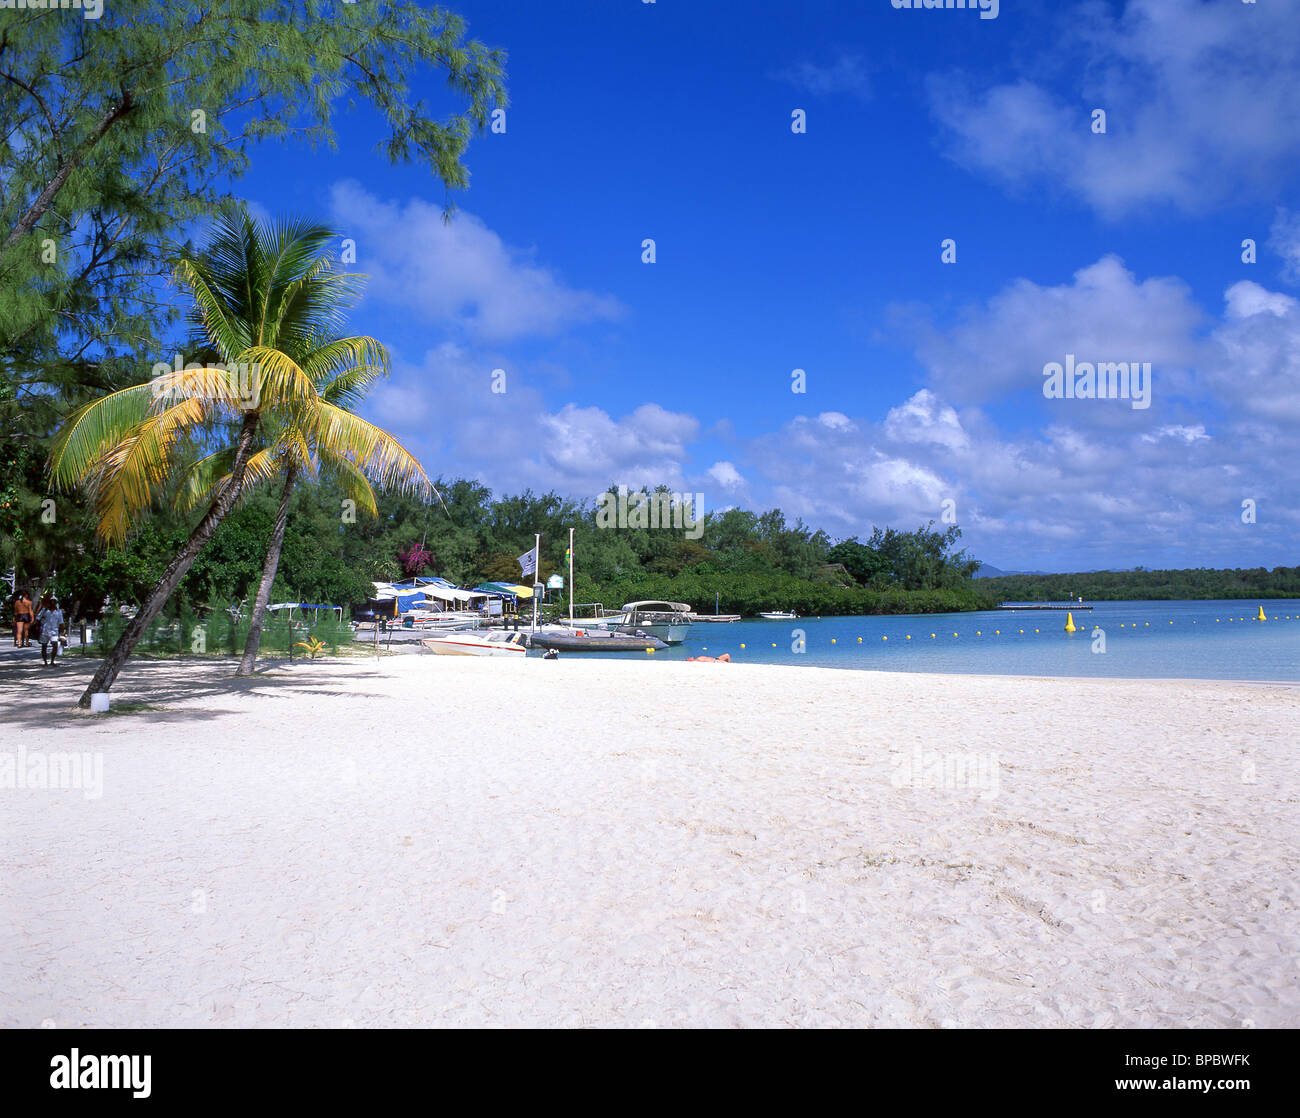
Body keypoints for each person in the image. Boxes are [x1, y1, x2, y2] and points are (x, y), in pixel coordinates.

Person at [34, 595, 65, 667]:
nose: (53, 603)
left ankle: (52, 661)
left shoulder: (58, 612)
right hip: (45, 631)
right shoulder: (45, 610)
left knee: (55, 645)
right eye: (52, 601)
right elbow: (38, 618)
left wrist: (62, 632)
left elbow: (61, 623)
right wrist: (38, 627)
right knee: (44, 646)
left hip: (54, 631)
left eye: (54, 602)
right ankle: (45, 662)